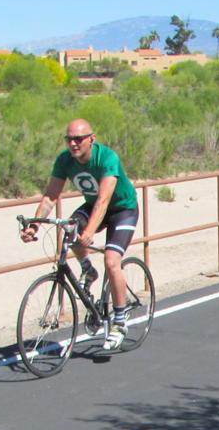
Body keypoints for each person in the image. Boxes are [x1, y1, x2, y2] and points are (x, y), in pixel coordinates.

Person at [21, 119, 139, 349]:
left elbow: (104, 200)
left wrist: (90, 232)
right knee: (70, 230)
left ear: (91, 139)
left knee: (111, 260)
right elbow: (50, 197)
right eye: (69, 139)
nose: (73, 144)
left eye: (79, 139)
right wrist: (34, 225)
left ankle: (120, 320)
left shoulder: (106, 158)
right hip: (93, 205)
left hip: (122, 209)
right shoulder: (64, 160)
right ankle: (88, 270)